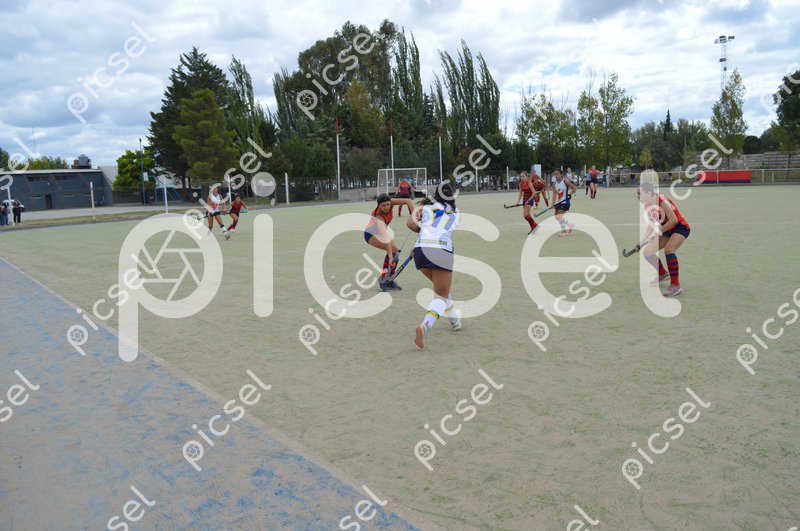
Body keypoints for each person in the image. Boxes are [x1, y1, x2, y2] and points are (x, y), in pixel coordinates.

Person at [407, 181, 462, 349]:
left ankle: (455, 320)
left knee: (441, 290)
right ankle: (425, 326)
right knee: (441, 296)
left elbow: (410, 224)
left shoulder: (424, 206)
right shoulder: (456, 212)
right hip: (441, 251)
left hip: (420, 251)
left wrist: (423, 232)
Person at [636, 182, 690, 297]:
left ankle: (675, 285)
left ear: (648, 193)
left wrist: (657, 233)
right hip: (666, 230)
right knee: (647, 252)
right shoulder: (648, 206)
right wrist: (640, 242)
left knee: (669, 250)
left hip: (680, 227)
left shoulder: (661, 200)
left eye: (640, 193)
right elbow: (651, 225)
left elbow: (674, 220)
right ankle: (662, 274)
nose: (638, 196)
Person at [364, 193, 414, 291]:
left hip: (383, 233)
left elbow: (408, 201)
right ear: (378, 205)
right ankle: (383, 279)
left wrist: (414, 215)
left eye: (388, 204)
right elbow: (386, 239)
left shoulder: (391, 203)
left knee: (395, 253)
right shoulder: (379, 217)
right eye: (383, 205)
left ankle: (390, 279)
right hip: (371, 235)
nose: (387, 207)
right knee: (393, 253)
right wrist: (390, 257)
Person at [551, 169, 577, 237]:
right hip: (559, 202)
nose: (556, 175)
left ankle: (564, 231)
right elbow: (554, 194)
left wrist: (569, 195)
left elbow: (574, 188)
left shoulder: (565, 181)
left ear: (561, 174)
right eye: (555, 174)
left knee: (559, 216)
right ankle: (570, 225)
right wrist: (553, 203)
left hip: (565, 202)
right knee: (557, 217)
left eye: (557, 174)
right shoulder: (554, 184)